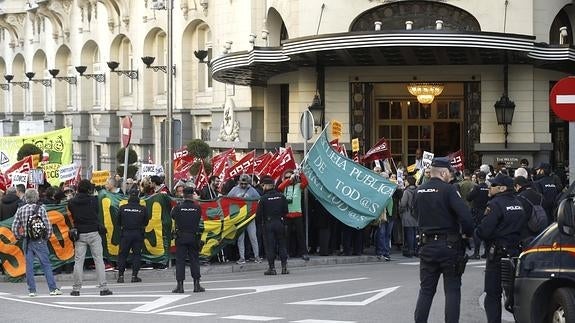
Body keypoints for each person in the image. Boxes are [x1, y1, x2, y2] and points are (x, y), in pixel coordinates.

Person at [413, 157, 474, 323]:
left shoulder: (419, 190)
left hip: (426, 246)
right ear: (443, 172)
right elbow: (466, 218)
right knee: (452, 290)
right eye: (450, 173)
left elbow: (414, 213)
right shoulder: (449, 190)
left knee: (426, 291)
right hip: (449, 246)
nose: (451, 176)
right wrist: (467, 234)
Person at [476, 173, 528, 323]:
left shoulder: (495, 204)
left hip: (498, 255)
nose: (489, 187)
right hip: (516, 253)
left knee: (492, 295)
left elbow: (485, 231)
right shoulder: (519, 203)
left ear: (502, 188)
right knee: (515, 294)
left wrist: (476, 232)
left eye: (493, 185)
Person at [11, 188, 62, 297]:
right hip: (39, 240)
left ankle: (32, 290)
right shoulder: (41, 209)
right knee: (46, 264)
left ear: (26, 197)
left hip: (27, 240)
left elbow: (14, 226)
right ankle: (53, 289)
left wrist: (18, 236)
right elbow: (48, 225)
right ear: (36, 197)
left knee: (29, 266)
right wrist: (46, 237)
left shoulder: (20, 209)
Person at [68, 179, 113, 296]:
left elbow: (72, 215)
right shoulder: (94, 200)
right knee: (98, 260)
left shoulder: (72, 202)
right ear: (89, 189)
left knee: (78, 261)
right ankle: (103, 287)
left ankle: (76, 289)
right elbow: (96, 213)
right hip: (93, 232)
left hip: (79, 233)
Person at [171, 186, 205, 293]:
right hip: (193, 236)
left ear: (183, 195)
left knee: (180, 261)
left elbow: (173, 216)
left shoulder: (177, 208)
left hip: (181, 237)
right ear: (192, 195)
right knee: (194, 260)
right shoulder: (197, 208)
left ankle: (180, 286)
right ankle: (196, 285)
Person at [257, 176, 290, 275]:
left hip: (269, 224)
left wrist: (260, 225)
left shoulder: (263, 198)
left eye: (263, 185)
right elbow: (286, 211)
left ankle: (272, 268)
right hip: (279, 222)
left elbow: (259, 215)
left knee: (270, 246)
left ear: (267, 186)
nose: (263, 187)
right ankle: (284, 268)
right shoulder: (281, 196)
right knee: (282, 245)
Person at [116, 188, 149, 283]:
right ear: (138, 196)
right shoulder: (142, 208)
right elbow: (146, 221)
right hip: (138, 234)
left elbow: (118, 221)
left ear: (129, 196)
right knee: (137, 255)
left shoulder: (122, 208)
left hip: (126, 233)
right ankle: (134, 276)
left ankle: (121, 276)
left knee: (122, 255)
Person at [227, 174, 261, 264]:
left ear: (248, 183)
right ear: (239, 182)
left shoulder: (252, 190)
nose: (243, 185)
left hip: (250, 217)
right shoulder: (234, 189)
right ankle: (242, 257)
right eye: (241, 183)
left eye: (245, 184)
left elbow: (259, 199)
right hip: (239, 217)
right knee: (240, 238)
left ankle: (256, 256)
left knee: (253, 237)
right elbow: (227, 200)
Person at [277, 169, 310, 261]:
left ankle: (304, 252)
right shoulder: (284, 187)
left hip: (297, 214)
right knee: (286, 235)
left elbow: (305, 182)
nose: (289, 178)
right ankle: (285, 253)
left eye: (290, 176)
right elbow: (279, 187)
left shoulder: (298, 186)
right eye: (286, 177)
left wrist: (300, 173)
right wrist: (289, 180)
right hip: (287, 215)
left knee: (300, 235)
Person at [467, 171, 490, 259]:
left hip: (477, 212)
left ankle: (476, 253)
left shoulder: (477, 188)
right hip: (486, 212)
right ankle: (486, 252)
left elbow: (468, 197)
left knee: (476, 232)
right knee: (486, 231)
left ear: (477, 178)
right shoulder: (488, 188)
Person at [399, 176, 418, 257]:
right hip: (416, 214)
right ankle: (416, 249)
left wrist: (400, 208)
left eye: (406, 181)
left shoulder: (406, 191)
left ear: (409, 182)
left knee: (409, 233)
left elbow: (403, 203)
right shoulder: (418, 190)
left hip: (408, 214)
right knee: (415, 233)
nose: (404, 182)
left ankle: (410, 250)